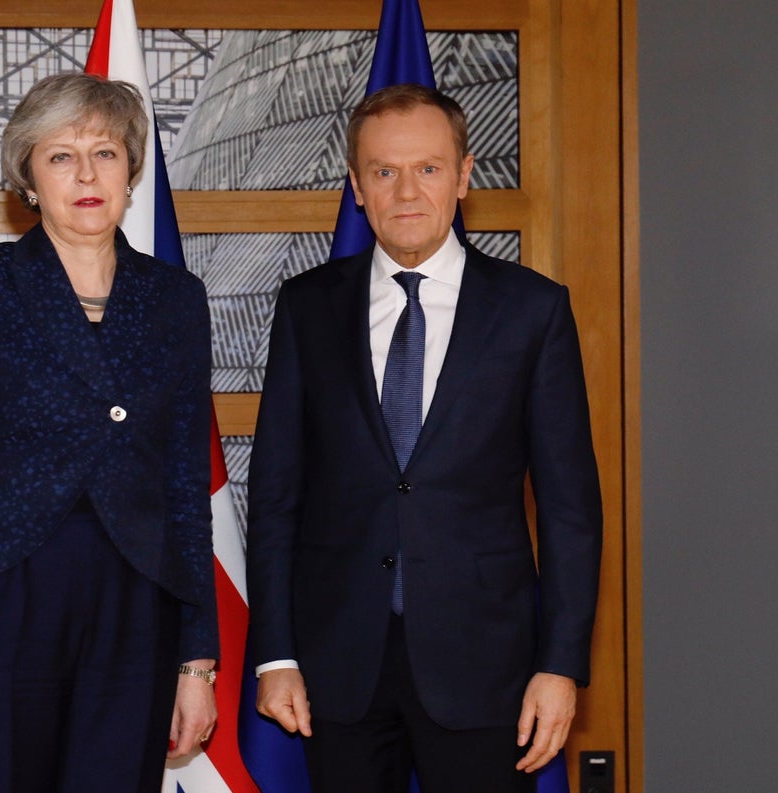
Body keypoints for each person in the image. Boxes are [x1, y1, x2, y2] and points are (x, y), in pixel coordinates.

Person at [246, 83, 602, 792]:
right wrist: (274, 653)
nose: (406, 191)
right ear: (356, 185)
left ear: (465, 174)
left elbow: (570, 509)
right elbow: (277, 492)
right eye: (383, 171)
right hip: (336, 668)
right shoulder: (307, 308)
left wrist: (560, 666)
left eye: (428, 168)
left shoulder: (534, 311)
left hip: (485, 667)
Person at [0, 72, 219, 792]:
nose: (86, 173)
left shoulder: (176, 299)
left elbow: (186, 488)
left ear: (131, 169)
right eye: (61, 155)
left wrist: (195, 660)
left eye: (106, 152)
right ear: (28, 178)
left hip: (135, 608)